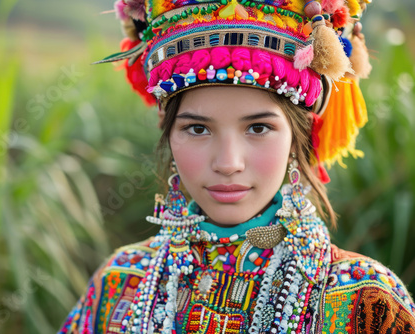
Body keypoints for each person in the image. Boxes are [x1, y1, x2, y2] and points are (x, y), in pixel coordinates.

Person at [59, 0, 415, 333]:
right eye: (197, 129)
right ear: (167, 133)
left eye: (258, 128)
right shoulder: (119, 283)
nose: (228, 163)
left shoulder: (366, 303)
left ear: (298, 136)